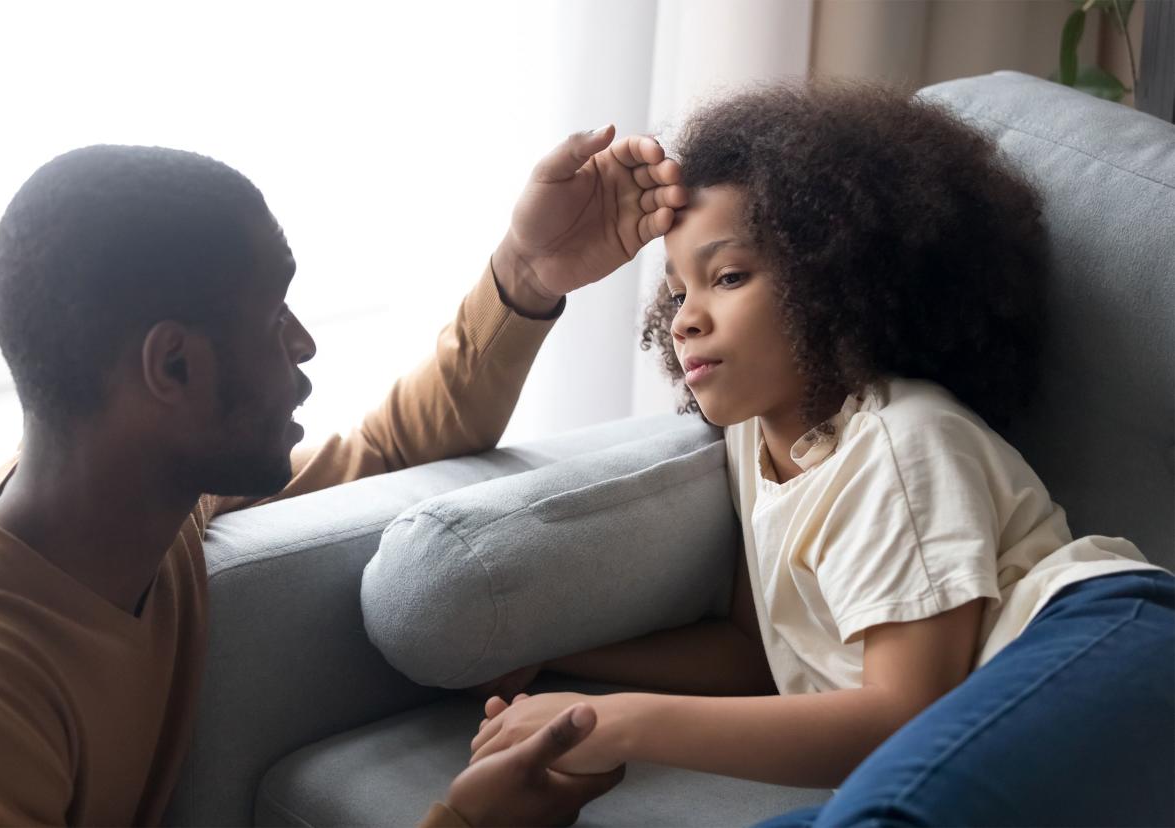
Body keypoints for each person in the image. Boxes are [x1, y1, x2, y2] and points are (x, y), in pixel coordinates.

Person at [468, 81, 1175, 826]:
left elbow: (903, 714)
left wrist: (616, 722)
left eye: (729, 276)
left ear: (835, 276)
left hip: (1105, 643)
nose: (686, 320)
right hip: (973, 749)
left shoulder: (904, 441)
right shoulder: (755, 440)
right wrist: (562, 668)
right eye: (677, 294)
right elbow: (754, 654)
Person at [0, 127, 684, 826]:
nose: (305, 344)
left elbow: (388, 453)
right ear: (174, 365)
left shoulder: (134, 501)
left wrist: (525, 272)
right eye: (274, 318)